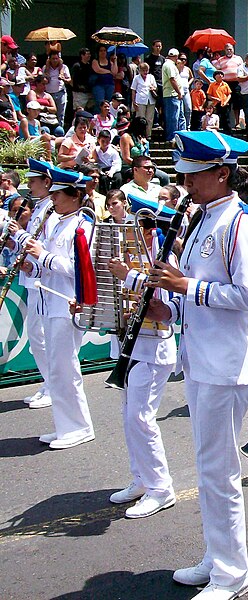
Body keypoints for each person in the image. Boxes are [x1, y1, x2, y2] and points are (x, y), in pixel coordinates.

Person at [146, 131, 248, 600]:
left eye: (195, 176)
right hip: (202, 361)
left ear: (221, 173)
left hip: (227, 365)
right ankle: (218, 556)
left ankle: (233, 573)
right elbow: (191, 294)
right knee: (207, 466)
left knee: (219, 471)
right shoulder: (201, 220)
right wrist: (167, 310)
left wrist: (185, 287)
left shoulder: (241, 223)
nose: (188, 185)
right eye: (186, 176)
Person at [105, 193, 178, 519]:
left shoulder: (166, 260)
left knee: (141, 418)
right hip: (131, 345)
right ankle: (142, 478)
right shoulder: (130, 256)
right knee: (129, 417)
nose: (132, 231)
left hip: (154, 347)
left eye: (141, 225)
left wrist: (129, 276)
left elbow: (164, 299)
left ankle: (161, 487)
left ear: (152, 229)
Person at [20, 166, 95, 449]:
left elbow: (81, 270)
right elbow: (49, 266)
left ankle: (79, 426)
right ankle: (65, 424)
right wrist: (33, 266)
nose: (53, 200)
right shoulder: (55, 222)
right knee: (56, 366)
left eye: (57, 195)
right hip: (49, 301)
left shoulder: (83, 225)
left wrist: (46, 257)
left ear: (74, 196)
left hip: (67, 304)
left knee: (66, 367)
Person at [6, 159, 55, 408]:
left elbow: (43, 248)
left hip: (43, 281)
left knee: (42, 335)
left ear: (47, 182)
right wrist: (13, 244)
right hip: (33, 277)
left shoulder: (50, 210)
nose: (28, 186)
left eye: (33, 182)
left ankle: (53, 385)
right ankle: (48, 382)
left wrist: (18, 234)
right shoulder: (38, 208)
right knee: (37, 334)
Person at [162, 49, 185, 140]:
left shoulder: (170, 65)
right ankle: (172, 137)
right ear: (176, 56)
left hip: (175, 95)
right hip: (172, 95)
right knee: (173, 118)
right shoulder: (169, 65)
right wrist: (179, 92)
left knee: (179, 117)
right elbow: (172, 79)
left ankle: (180, 136)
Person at [130, 62, 157, 138]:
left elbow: (155, 87)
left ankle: (148, 135)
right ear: (140, 70)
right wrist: (134, 102)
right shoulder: (136, 78)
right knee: (140, 118)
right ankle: (140, 135)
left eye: (146, 70)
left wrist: (153, 88)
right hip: (140, 100)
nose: (145, 72)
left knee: (149, 119)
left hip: (150, 100)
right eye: (143, 70)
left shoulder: (151, 77)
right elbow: (133, 90)